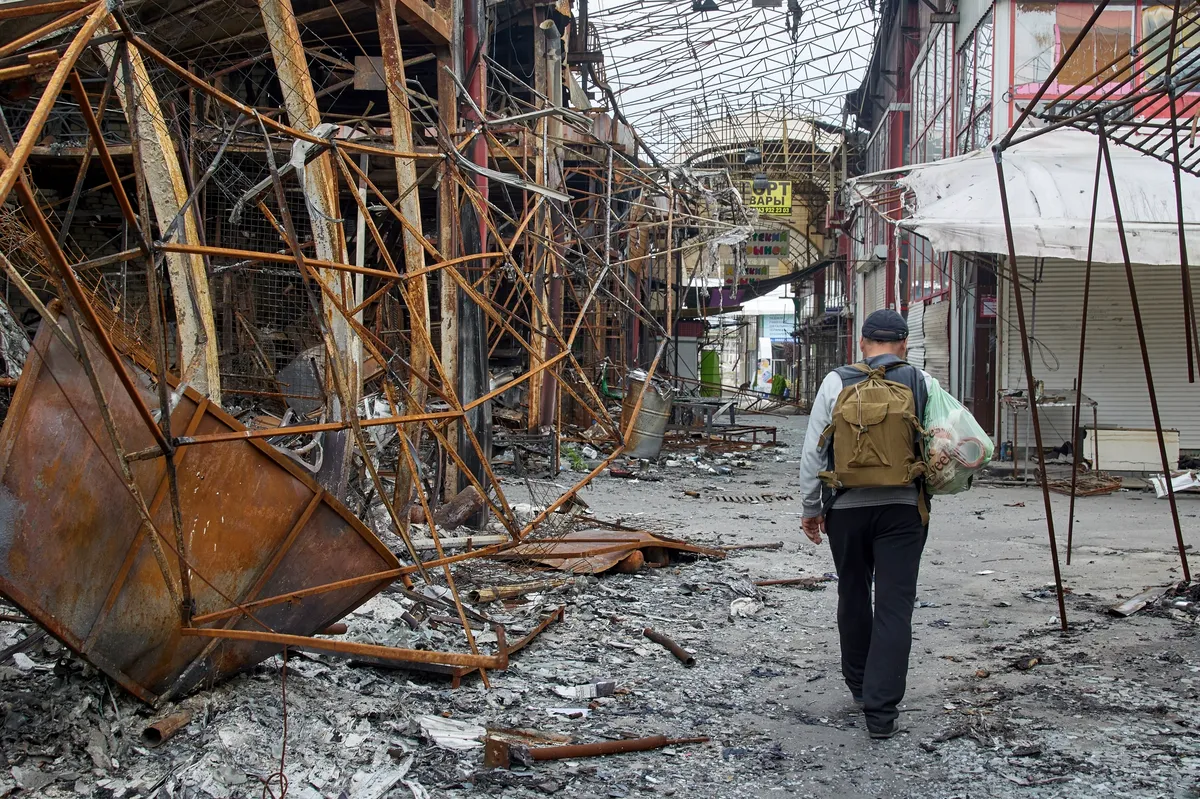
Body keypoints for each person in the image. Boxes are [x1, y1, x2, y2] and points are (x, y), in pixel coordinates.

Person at [797, 309, 933, 740]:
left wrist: (811, 507)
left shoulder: (836, 381)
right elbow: (952, 444)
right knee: (895, 605)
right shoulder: (922, 382)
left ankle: (858, 686)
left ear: (862, 343)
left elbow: (813, 452)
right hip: (902, 509)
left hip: (846, 508)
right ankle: (881, 713)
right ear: (904, 344)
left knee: (853, 591)